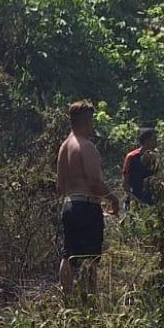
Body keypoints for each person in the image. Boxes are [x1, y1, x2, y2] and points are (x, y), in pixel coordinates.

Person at [55, 100, 119, 295]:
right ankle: (88, 301)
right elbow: (94, 182)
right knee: (90, 258)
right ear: (85, 122)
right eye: (91, 122)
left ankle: (66, 298)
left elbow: (59, 187)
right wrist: (113, 199)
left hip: (69, 205)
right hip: (87, 206)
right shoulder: (86, 146)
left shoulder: (64, 147)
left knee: (68, 254)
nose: (93, 127)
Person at [122, 127, 159, 210]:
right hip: (134, 199)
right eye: (154, 139)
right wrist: (132, 197)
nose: (156, 142)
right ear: (146, 140)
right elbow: (125, 179)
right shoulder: (132, 156)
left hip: (152, 200)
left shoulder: (156, 157)